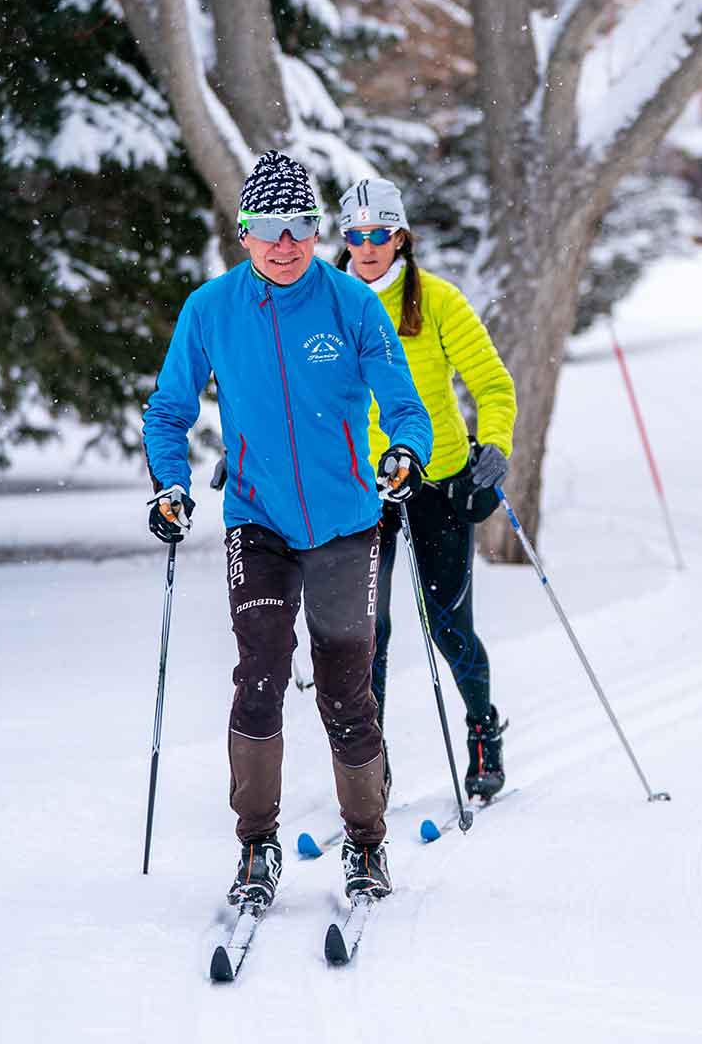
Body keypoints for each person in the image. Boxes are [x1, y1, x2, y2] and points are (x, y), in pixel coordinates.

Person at [142, 151, 433, 908]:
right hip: (258, 520)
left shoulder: (352, 306)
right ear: (243, 233)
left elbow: (404, 406)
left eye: (301, 225)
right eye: (268, 226)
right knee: (261, 675)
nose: (285, 242)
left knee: (345, 689)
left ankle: (367, 846)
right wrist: (169, 484)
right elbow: (168, 412)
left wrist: (405, 452)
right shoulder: (209, 310)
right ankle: (254, 846)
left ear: (315, 231)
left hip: (344, 524)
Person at [335, 177, 519, 802]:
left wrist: (493, 444)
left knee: (448, 625)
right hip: (358, 491)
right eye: (355, 236)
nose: (367, 247)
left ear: (401, 236)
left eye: (378, 234)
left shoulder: (436, 300)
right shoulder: (324, 303)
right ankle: (369, 755)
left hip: (436, 482)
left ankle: (482, 730)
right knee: (367, 630)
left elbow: (492, 383)